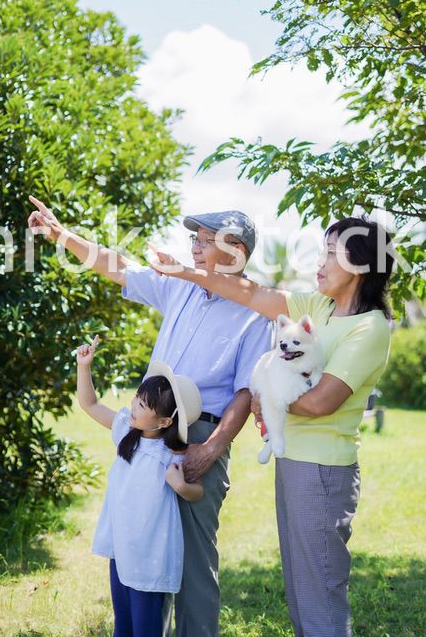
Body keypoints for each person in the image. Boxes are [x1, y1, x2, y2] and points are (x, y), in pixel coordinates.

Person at [27, 196, 273, 637]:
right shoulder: (178, 284)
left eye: (206, 240)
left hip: (200, 435)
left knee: (195, 563)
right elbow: (117, 266)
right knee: (144, 548)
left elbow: (244, 393)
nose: (195, 248)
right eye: (194, 239)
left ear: (235, 250)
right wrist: (61, 235)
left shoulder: (256, 312)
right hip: (149, 432)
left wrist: (212, 448)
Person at [150, 215, 394, 637]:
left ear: (360, 265)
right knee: (301, 591)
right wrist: (186, 271)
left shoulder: (370, 327)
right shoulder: (320, 307)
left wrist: (264, 394)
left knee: (320, 591)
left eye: (330, 253)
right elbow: (251, 293)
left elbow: (320, 402)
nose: (319, 262)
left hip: (323, 470)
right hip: (294, 462)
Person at [76, 335, 203, 637]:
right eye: (137, 398)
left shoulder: (170, 455)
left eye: (143, 405)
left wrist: (180, 485)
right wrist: (84, 367)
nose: (133, 405)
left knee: (146, 627)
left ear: (163, 422)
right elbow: (90, 404)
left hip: (150, 555)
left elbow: (198, 493)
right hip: (122, 546)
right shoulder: (125, 432)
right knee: (123, 625)